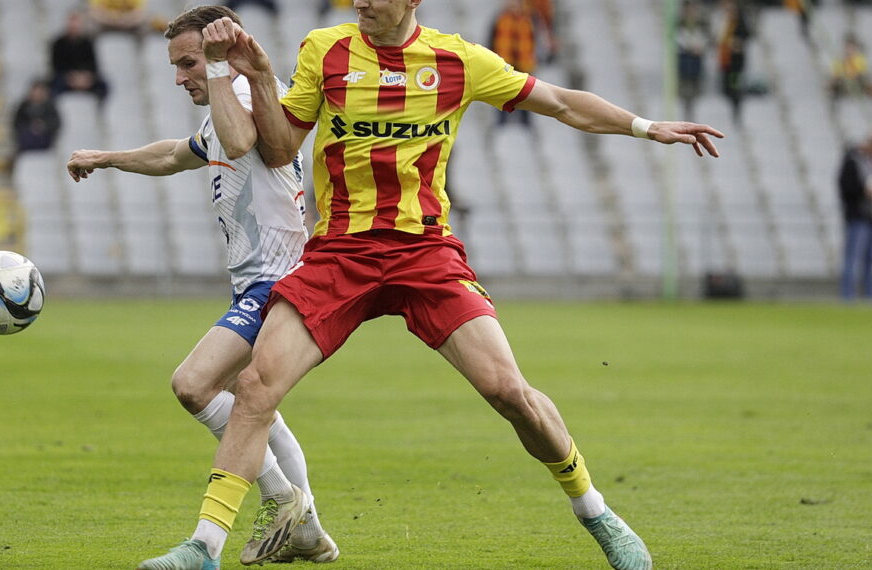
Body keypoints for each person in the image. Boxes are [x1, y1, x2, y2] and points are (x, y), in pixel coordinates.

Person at [138, 1, 724, 569]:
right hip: (341, 251)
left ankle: (596, 512)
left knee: (508, 392)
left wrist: (646, 127)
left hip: (425, 253)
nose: (361, 2)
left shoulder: (459, 60)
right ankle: (205, 547)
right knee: (257, 385)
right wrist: (262, 77)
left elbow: (562, 104)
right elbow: (281, 146)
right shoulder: (326, 49)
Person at [64, 6, 338, 568]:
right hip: (254, 286)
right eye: (176, 65)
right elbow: (174, 154)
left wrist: (216, 68)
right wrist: (108, 158)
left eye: (188, 61)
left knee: (193, 384)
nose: (179, 75)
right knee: (251, 404)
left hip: (279, 282)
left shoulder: (254, 93)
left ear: (219, 53)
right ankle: (306, 529)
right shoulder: (221, 105)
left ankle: (278, 504)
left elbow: (240, 144)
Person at [838, 127, 872, 301]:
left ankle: (871, 295)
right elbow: (845, 186)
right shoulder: (853, 160)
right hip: (857, 216)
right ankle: (848, 295)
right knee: (853, 257)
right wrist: (864, 191)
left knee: (871, 258)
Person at [488, 0, 538, 128]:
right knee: (501, 96)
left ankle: (526, 124)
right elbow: (490, 40)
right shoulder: (499, 18)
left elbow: (537, 39)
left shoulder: (531, 18)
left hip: (524, 64)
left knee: (526, 96)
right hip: (503, 64)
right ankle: (502, 124)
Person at [49, 10, 109, 100]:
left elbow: (93, 64)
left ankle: (97, 110)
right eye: (71, 23)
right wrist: (71, 77)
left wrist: (85, 76)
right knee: (53, 86)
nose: (74, 26)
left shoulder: (87, 42)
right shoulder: (58, 43)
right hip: (65, 78)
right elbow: (56, 65)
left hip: (85, 78)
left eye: (76, 24)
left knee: (103, 86)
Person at [717, 0, 750, 125]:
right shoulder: (722, 22)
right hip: (725, 61)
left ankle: (736, 105)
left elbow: (745, 37)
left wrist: (737, 43)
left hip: (735, 63)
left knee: (734, 85)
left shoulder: (739, 24)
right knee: (726, 85)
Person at [675, 0, 710, 121]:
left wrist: (699, 46)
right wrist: (689, 47)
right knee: (684, 85)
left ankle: (694, 103)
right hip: (684, 59)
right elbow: (676, 39)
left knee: (696, 84)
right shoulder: (679, 23)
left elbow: (707, 39)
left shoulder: (702, 24)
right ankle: (685, 103)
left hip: (696, 60)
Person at [12, 79, 62, 154]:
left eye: (40, 91)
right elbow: (17, 123)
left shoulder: (49, 107)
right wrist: (31, 127)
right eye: (36, 91)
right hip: (27, 140)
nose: (37, 94)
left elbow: (56, 122)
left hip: (44, 140)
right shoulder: (24, 106)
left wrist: (43, 125)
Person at [829, 33, 872, 101]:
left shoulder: (859, 58)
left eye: (851, 47)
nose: (849, 50)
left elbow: (863, 71)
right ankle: (834, 100)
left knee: (867, 82)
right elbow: (836, 72)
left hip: (857, 80)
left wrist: (857, 74)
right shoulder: (840, 59)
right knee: (835, 85)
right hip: (845, 81)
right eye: (847, 47)